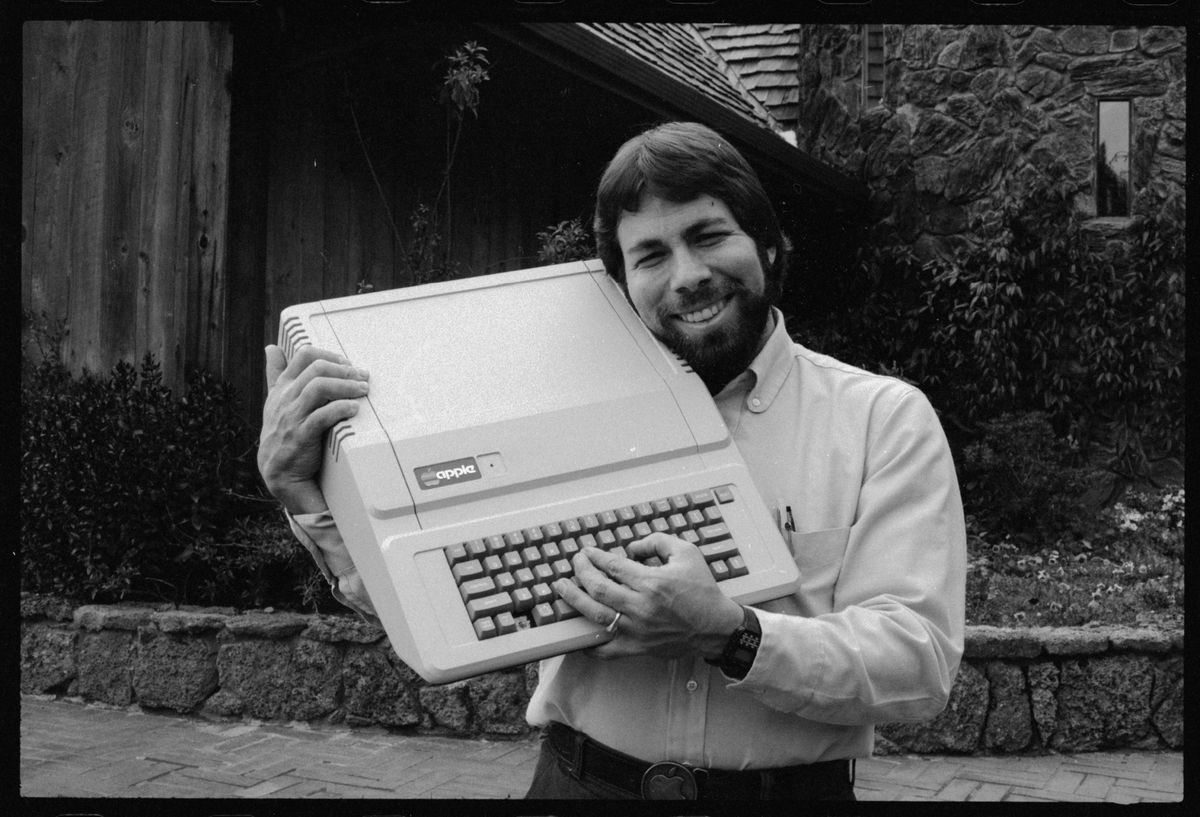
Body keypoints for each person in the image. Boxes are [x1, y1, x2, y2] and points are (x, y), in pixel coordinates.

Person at [257, 121, 967, 801]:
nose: (687, 275)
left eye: (709, 235)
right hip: (580, 782)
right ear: (621, 284)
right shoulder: (553, 412)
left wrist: (731, 634)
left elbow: (918, 662)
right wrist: (305, 494)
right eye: (651, 256)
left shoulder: (881, 419)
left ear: (771, 247)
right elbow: (441, 610)